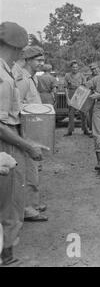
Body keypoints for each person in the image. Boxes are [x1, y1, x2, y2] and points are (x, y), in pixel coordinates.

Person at [0, 21, 43, 265]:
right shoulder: (3, 76)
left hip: (11, 135)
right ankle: (6, 256)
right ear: (17, 48)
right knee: (11, 203)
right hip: (6, 144)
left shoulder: (6, 71)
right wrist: (26, 146)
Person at [12, 46, 49, 223]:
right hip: (26, 130)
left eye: (42, 60)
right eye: (37, 60)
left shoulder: (29, 77)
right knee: (29, 170)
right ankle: (28, 209)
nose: (41, 63)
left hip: (32, 127)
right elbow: (17, 106)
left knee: (33, 168)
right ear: (27, 60)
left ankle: (32, 202)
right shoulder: (22, 79)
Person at [64, 60, 89, 137]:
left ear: (78, 68)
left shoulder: (82, 75)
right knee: (71, 113)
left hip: (80, 92)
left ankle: (85, 129)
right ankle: (70, 130)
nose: (75, 68)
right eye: (73, 67)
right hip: (71, 92)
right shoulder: (67, 75)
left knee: (83, 113)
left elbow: (85, 86)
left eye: (76, 67)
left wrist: (84, 96)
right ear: (71, 68)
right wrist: (67, 98)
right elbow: (65, 88)